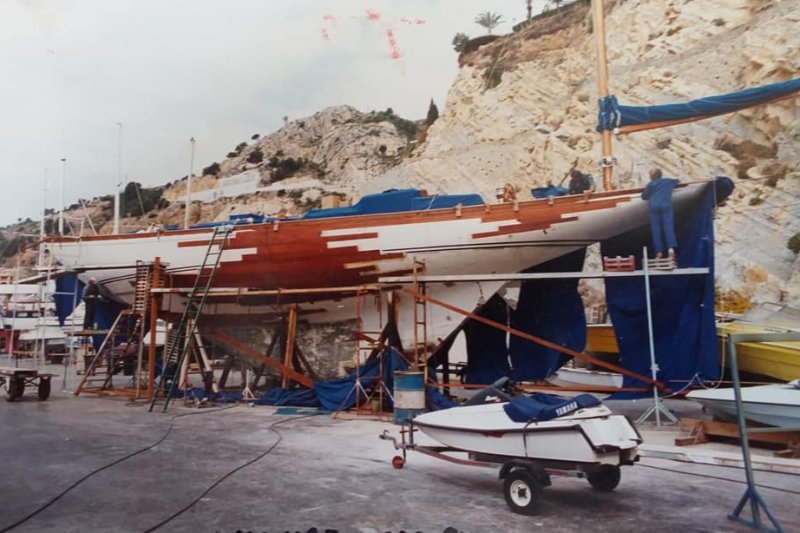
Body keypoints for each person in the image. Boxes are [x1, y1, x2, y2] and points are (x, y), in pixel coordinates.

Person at [642, 168, 680, 259]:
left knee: (656, 230)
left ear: (651, 177)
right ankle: (671, 250)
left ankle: (659, 252)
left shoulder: (650, 184)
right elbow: (677, 181)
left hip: (654, 207)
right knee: (668, 227)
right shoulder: (668, 181)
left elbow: (644, 196)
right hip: (666, 206)